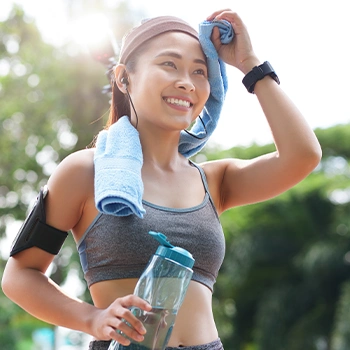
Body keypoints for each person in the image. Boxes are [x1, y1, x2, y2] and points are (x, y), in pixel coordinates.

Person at [1, 8, 321, 350]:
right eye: (169, 64)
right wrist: (92, 319)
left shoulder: (215, 181)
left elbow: (303, 156)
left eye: (200, 71)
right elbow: (20, 276)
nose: (187, 81)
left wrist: (250, 64)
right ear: (124, 79)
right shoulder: (85, 172)